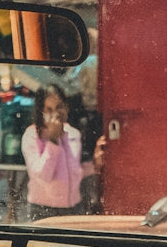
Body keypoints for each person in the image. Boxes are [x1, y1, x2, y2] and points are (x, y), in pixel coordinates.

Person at [21, 84, 104, 219]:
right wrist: (53, 141)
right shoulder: (31, 136)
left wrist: (95, 165)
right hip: (44, 209)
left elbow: (75, 171)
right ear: (41, 112)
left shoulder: (73, 133)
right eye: (49, 109)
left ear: (66, 107)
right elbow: (43, 175)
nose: (56, 114)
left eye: (59, 107)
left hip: (74, 207)